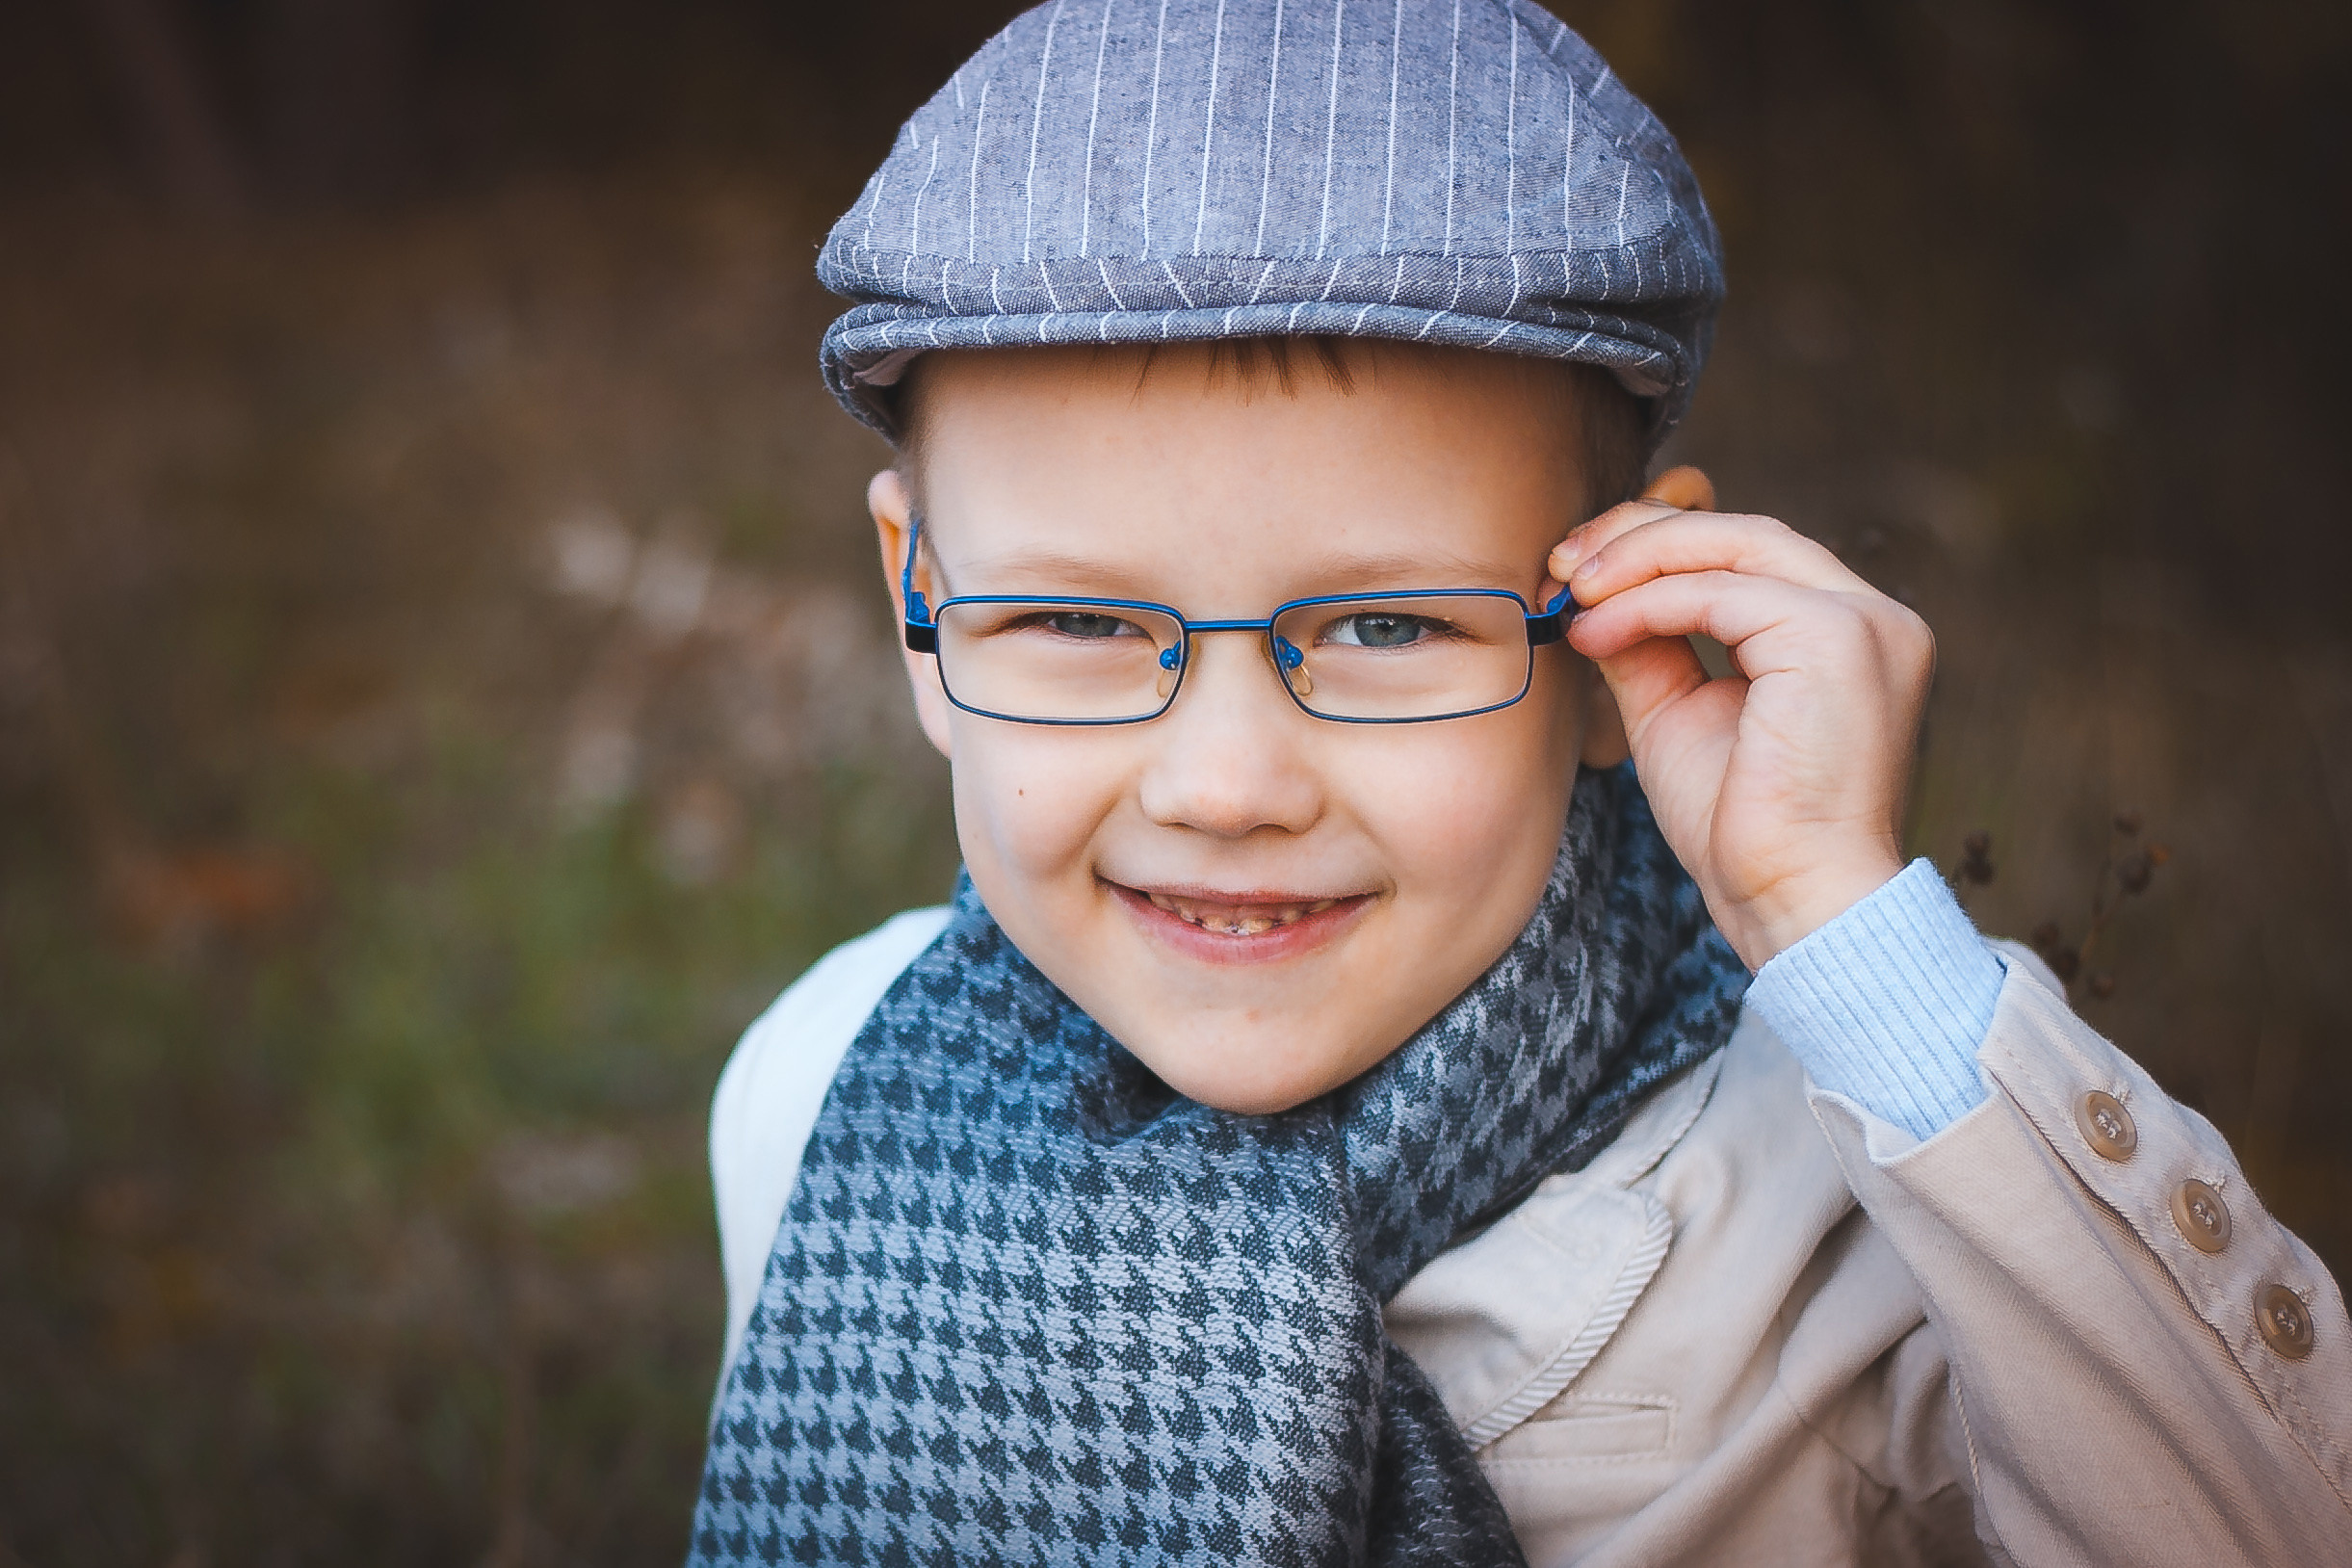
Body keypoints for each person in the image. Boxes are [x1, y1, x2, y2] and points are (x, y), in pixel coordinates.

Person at [690, 4, 2350, 1563]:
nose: (1225, 784)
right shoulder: (823, 1085)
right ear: (919, 605)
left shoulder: (1857, 1203)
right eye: (1075, 620)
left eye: (1387, 624)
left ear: (1625, 618)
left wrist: (1834, 919)